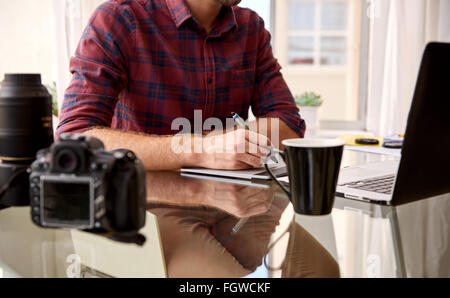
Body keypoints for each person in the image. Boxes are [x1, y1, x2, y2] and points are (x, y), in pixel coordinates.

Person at [56, 0, 306, 171]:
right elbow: (74, 138)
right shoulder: (119, 18)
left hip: (229, 218)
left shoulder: (251, 28)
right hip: (139, 218)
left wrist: (216, 143)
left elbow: (288, 126)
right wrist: (200, 149)